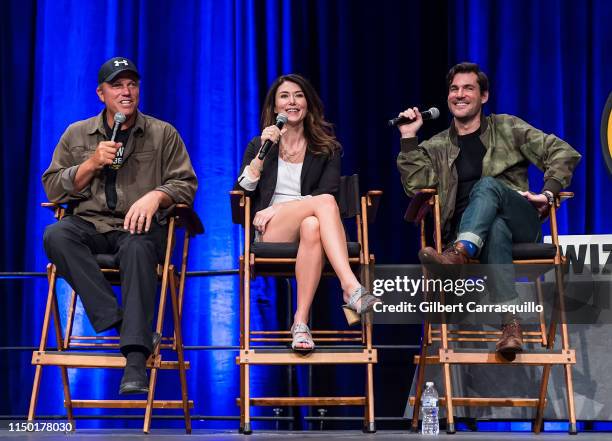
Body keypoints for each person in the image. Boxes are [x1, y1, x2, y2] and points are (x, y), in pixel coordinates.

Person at [396, 62, 580, 353]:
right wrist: (408, 137)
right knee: (494, 228)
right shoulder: (437, 146)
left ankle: (458, 254)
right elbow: (417, 187)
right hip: (479, 232)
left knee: (487, 186)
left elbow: (562, 152)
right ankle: (510, 325)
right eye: (454, 89)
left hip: (521, 223)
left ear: (483, 96)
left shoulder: (508, 128)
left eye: (468, 88)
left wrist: (548, 192)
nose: (459, 94)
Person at [42, 57, 197, 394]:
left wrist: (156, 195)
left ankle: (135, 361)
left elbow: (185, 184)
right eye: (117, 85)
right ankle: (125, 324)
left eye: (132, 84)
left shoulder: (163, 133)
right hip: (90, 225)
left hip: (138, 229)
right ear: (101, 93)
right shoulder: (77, 133)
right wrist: (91, 163)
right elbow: (53, 186)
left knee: (139, 248)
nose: (127, 91)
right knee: (56, 234)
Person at [236, 74, 379, 353]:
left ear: (308, 104)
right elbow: (241, 193)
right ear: (275, 107)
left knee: (313, 224)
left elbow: (328, 191)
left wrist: (283, 205)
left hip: (313, 228)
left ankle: (300, 323)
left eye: (298, 95)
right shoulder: (259, 145)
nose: (292, 101)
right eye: (285, 96)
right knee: (322, 204)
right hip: (271, 229)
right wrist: (261, 157)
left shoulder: (327, 148)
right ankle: (350, 286)